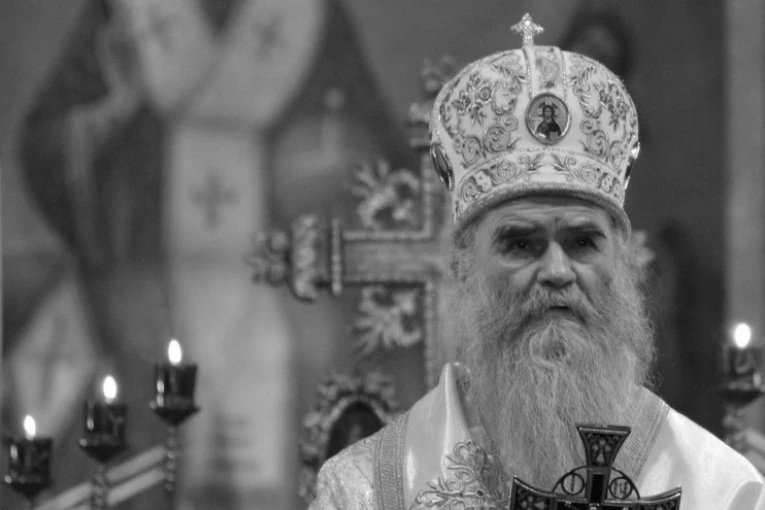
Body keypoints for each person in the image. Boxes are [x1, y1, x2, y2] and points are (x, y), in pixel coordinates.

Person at [309, 13, 765, 510]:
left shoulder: (720, 491)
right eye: (521, 244)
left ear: (624, 259)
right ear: (462, 267)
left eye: (583, 242)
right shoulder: (369, 491)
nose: (557, 271)